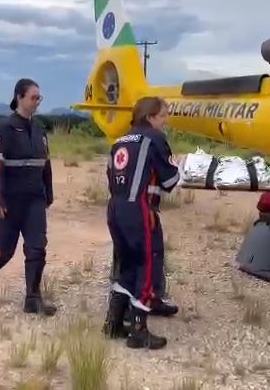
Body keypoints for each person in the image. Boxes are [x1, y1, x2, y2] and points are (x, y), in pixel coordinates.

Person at [102, 96, 181, 350]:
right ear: (150, 117)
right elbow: (171, 181)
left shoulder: (119, 141)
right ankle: (139, 329)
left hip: (115, 207)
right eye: (162, 116)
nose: (164, 121)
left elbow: (111, 175)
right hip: (140, 210)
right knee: (148, 264)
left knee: (126, 262)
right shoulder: (154, 139)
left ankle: (113, 322)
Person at [0, 78, 56, 316]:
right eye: (33, 97)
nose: (37, 102)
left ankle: (33, 298)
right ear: (19, 98)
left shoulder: (40, 130)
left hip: (34, 200)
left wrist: (48, 193)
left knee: (37, 248)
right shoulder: (4, 128)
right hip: (8, 201)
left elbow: (46, 165)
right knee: (4, 250)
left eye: (39, 97)